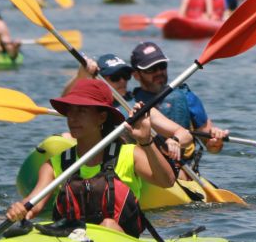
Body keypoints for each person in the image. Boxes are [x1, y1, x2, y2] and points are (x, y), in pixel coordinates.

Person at [7, 78, 174, 236]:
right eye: (70, 111)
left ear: (101, 117)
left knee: (108, 224)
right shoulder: (55, 164)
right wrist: (21, 209)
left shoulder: (129, 154)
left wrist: (146, 141)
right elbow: (33, 204)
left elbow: (167, 181)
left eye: (81, 110)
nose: (72, 118)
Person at [66, 54, 197, 181]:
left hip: (135, 168)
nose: (123, 81)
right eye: (115, 77)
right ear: (97, 79)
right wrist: (82, 74)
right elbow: (67, 101)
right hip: (97, 164)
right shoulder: (88, 106)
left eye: (125, 76)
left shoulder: (137, 107)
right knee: (64, 137)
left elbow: (185, 134)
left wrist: (175, 140)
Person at [130, 42, 228, 176]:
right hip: (147, 171)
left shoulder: (186, 96)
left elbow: (212, 148)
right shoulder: (129, 102)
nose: (159, 72)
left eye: (162, 66)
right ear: (136, 75)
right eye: (151, 69)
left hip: (183, 172)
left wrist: (216, 142)